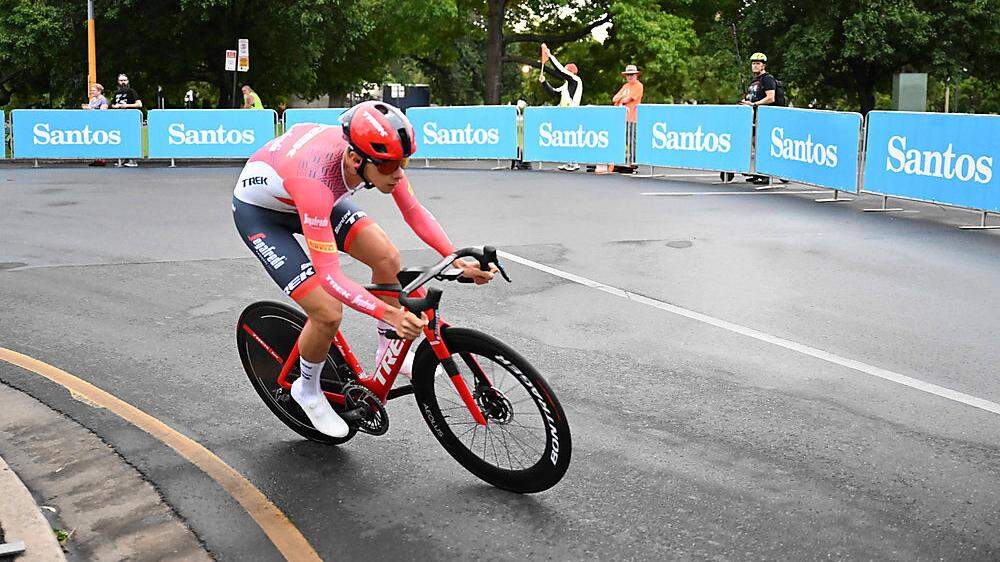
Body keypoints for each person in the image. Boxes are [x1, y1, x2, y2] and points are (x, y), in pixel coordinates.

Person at [232, 101, 497, 438]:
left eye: (403, 163)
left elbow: (414, 211)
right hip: (263, 214)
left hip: (310, 194)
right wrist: (391, 314)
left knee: (386, 257)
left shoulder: (375, 156)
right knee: (326, 311)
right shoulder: (317, 182)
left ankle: (388, 350)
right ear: (357, 159)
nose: (399, 174)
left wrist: (456, 259)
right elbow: (331, 277)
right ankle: (307, 390)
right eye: (389, 167)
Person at [538, 43, 583, 171]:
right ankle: (568, 161)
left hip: (573, 113)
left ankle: (574, 162)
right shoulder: (566, 85)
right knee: (566, 138)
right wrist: (544, 82)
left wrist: (550, 56)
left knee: (572, 138)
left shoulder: (575, 80)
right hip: (564, 114)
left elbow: (560, 71)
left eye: (566, 70)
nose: (564, 72)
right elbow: (554, 93)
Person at [740, 53, 777, 184]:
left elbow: (771, 97)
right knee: (755, 143)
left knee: (760, 144)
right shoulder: (754, 81)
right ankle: (758, 172)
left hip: (763, 117)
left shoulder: (767, 79)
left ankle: (766, 174)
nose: (754, 66)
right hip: (753, 116)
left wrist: (754, 104)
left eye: (758, 63)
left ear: (763, 65)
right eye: (753, 63)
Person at [611, 64, 644, 174]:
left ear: (636, 75)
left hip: (632, 117)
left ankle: (632, 162)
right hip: (621, 117)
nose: (630, 77)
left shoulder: (639, 86)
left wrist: (620, 99)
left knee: (632, 140)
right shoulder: (625, 86)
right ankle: (622, 161)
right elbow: (614, 98)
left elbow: (627, 99)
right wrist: (621, 99)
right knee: (622, 139)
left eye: (632, 75)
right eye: (628, 75)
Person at [111, 74, 142, 167]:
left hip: (130, 119)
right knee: (121, 138)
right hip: (119, 119)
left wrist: (127, 106)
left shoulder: (131, 91)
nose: (123, 82)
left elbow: (139, 104)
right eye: (121, 80)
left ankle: (133, 160)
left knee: (131, 138)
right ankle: (124, 159)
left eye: (125, 80)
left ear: (128, 81)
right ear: (118, 82)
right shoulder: (116, 93)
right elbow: (112, 104)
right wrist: (114, 106)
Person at [83, 83, 109, 167]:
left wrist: (90, 108)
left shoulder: (103, 99)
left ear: (99, 91)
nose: (92, 92)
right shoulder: (92, 100)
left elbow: (103, 111)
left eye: (93, 90)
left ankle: (102, 159)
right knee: (94, 140)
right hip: (93, 122)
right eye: (91, 90)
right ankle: (96, 159)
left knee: (101, 140)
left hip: (101, 123)